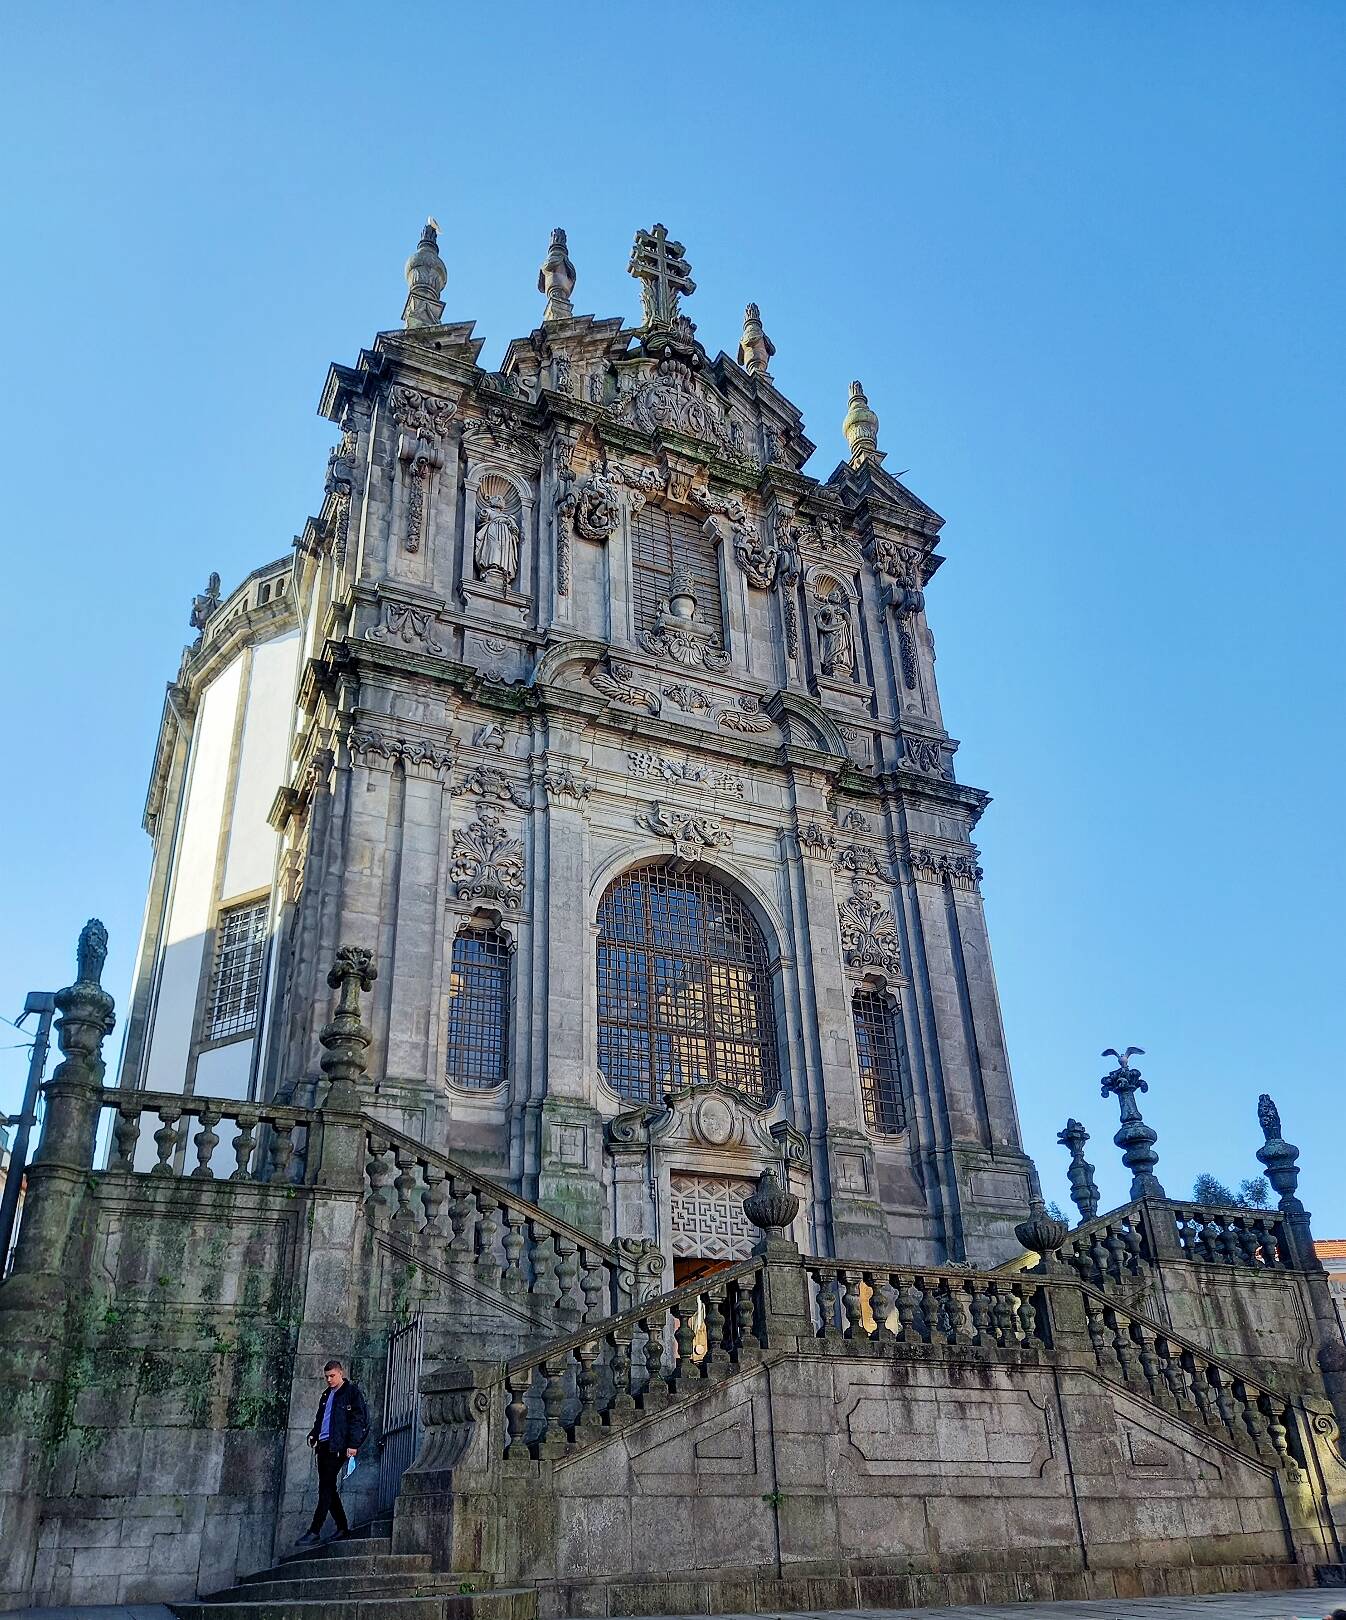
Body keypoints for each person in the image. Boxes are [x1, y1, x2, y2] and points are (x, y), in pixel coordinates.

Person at [296, 1359, 370, 1546]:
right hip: (324, 1445)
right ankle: (342, 1527)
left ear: (340, 1373)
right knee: (328, 1488)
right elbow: (321, 1418)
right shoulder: (326, 1394)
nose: (329, 1380)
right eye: (326, 1377)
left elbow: (358, 1420)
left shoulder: (351, 1393)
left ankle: (315, 1530)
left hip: (338, 1447)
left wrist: (353, 1445)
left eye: (332, 1376)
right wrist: (314, 1434)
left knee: (326, 1488)